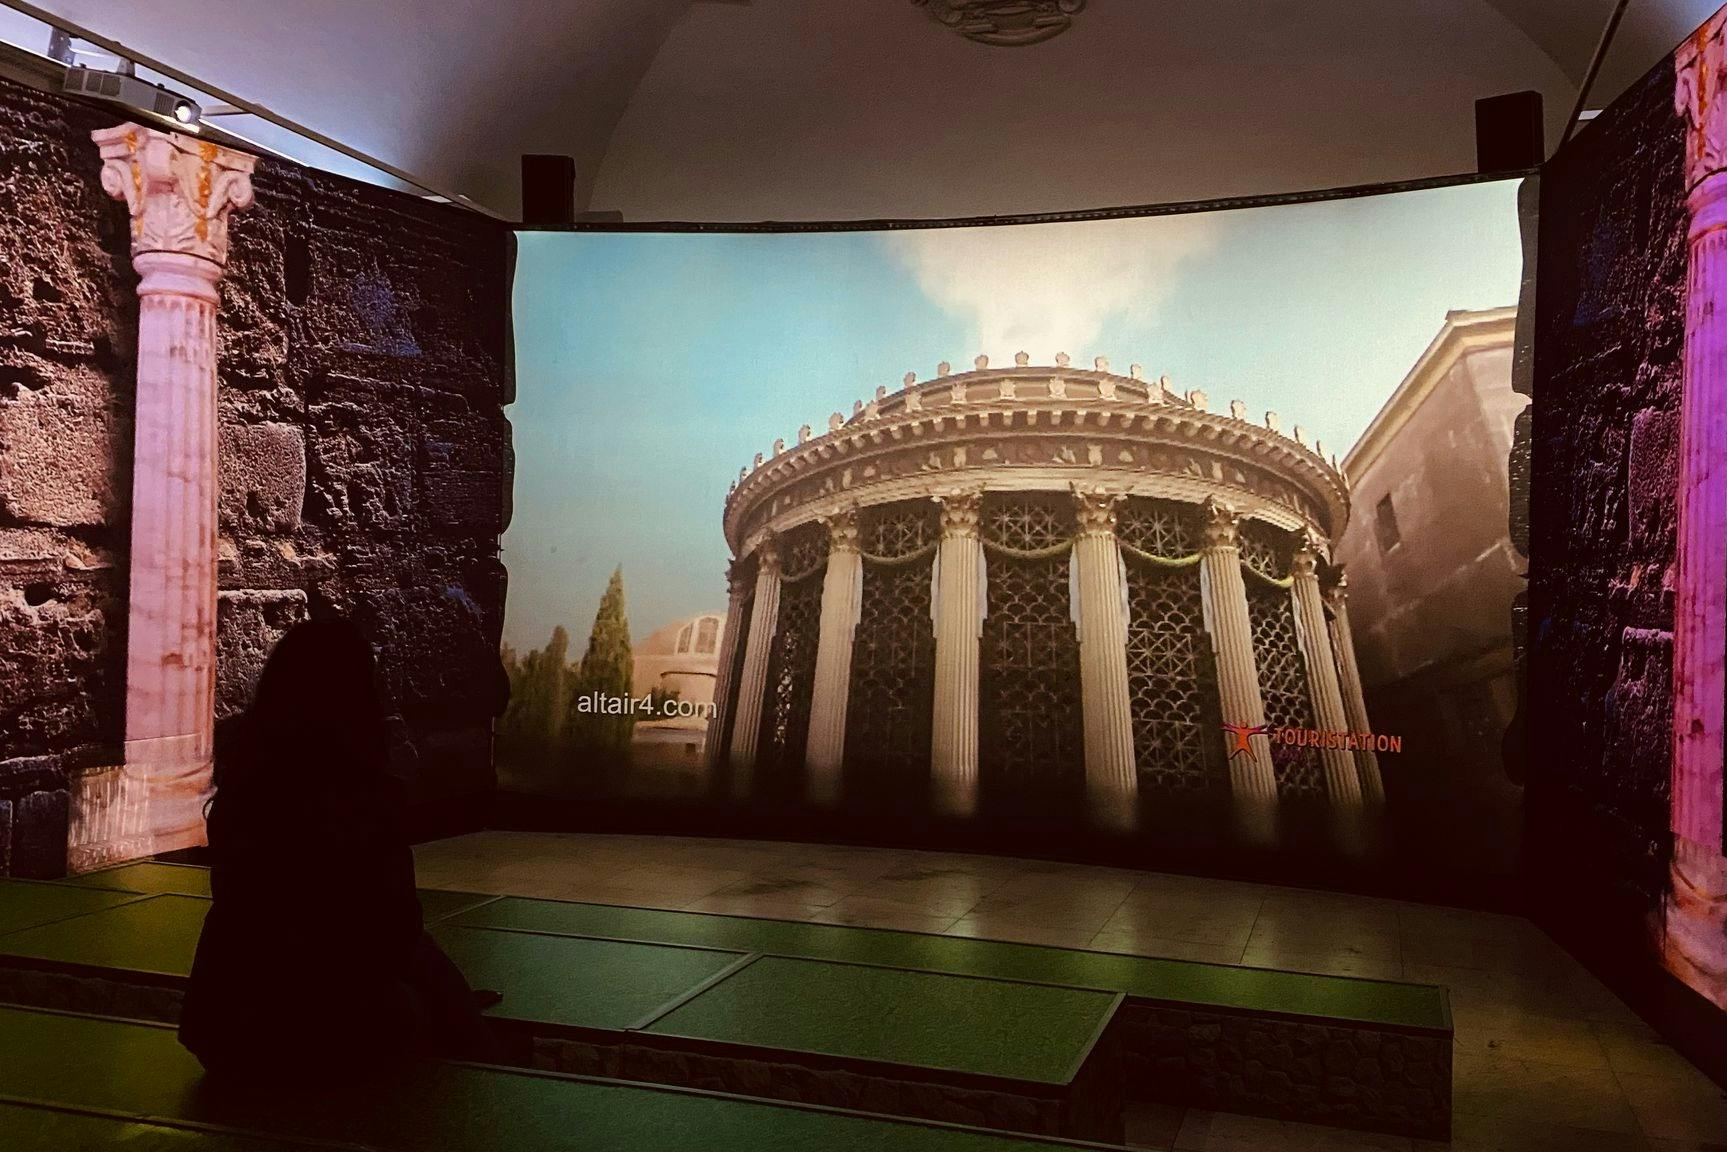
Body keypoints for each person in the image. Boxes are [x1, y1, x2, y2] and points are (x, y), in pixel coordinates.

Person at [180, 617, 499, 1078]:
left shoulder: (243, 792)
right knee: (414, 996)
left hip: (225, 1029)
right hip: (331, 1031)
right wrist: (454, 1009)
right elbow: (397, 934)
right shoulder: (367, 800)